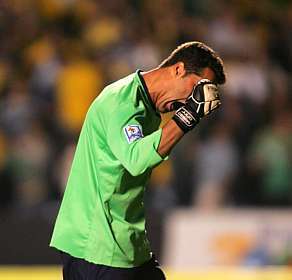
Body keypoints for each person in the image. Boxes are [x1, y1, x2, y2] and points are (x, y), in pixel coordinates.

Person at [50, 41, 226, 280]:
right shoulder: (121, 102)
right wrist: (188, 116)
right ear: (178, 69)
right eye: (197, 88)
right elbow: (135, 159)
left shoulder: (147, 107)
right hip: (99, 248)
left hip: (124, 244)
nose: (193, 99)